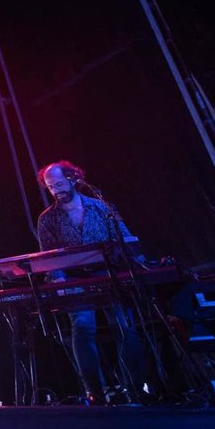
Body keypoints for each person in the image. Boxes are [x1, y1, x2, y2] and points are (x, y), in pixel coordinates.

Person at [36, 160, 146, 404]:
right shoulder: (47, 219)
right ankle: (94, 392)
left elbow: (127, 239)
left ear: (73, 178)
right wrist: (61, 283)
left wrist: (140, 267)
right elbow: (50, 258)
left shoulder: (101, 208)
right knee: (83, 328)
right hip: (75, 280)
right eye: (50, 187)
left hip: (110, 275)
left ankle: (136, 390)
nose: (55, 190)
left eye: (59, 184)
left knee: (125, 327)